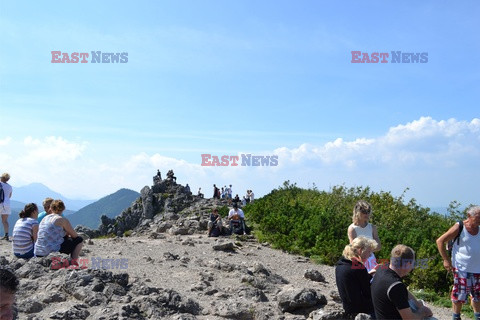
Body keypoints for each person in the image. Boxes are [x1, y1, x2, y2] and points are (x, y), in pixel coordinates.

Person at [436, 206, 480, 320]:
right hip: (461, 267)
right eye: (478, 217)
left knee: (478, 296)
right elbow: (440, 241)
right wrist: (446, 260)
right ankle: (456, 317)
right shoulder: (459, 227)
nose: (479, 220)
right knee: (459, 295)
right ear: (469, 216)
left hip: (478, 268)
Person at [371, 244, 433, 319]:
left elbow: (403, 291)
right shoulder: (395, 286)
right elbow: (409, 318)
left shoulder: (382, 269)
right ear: (407, 264)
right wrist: (423, 312)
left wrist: (417, 304)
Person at [335, 236, 378, 318]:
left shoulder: (341, 265)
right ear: (360, 250)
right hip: (361, 309)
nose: (369, 255)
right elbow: (368, 292)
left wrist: (369, 274)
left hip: (348, 308)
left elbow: (355, 282)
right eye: (369, 251)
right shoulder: (358, 268)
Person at [347, 200, 381, 273]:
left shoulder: (372, 227)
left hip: (371, 258)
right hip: (358, 259)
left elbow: (379, 246)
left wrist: (367, 251)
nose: (367, 214)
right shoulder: (352, 228)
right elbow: (353, 248)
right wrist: (368, 249)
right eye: (364, 212)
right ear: (357, 212)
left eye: (368, 212)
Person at [0, 173, 13, 241]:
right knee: (4, 221)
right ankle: (6, 235)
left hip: (0, 202)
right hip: (7, 204)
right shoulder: (10, 187)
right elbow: (10, 196)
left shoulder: (0, 184)